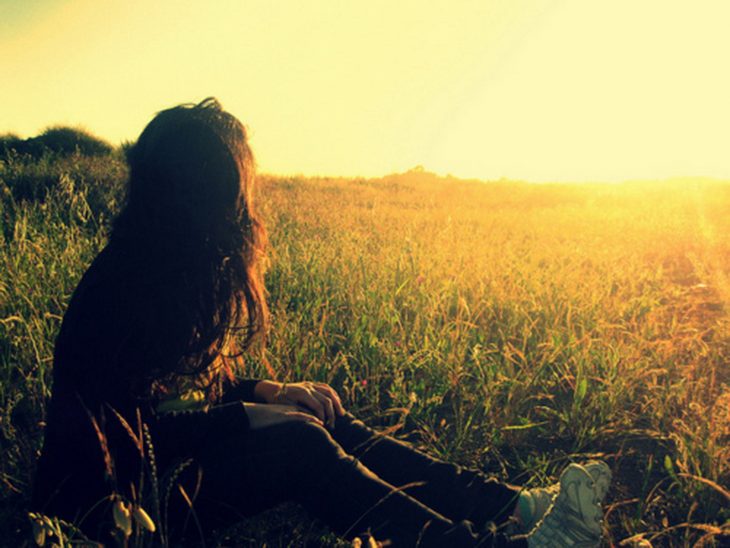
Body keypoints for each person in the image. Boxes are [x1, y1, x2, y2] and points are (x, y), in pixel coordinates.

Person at [32, 98, 610, 547]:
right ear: (208, 193)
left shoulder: (163, 265)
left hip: (151, 488)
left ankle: (509, 508)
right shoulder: (125, 288)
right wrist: (245, 418)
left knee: (314, 412)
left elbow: (179, 396)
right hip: (107, 517)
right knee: (296, 443)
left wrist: (269, 392)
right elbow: (131, 437)